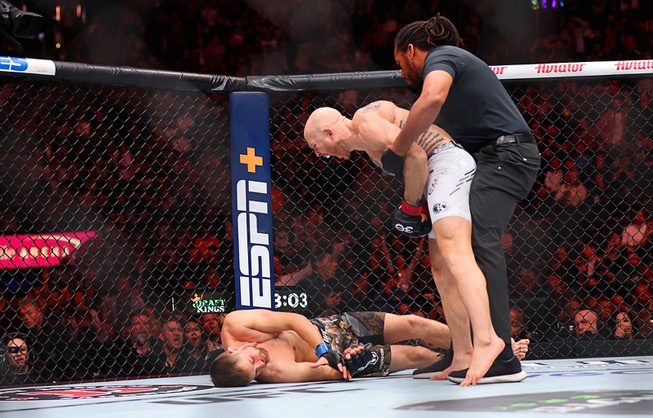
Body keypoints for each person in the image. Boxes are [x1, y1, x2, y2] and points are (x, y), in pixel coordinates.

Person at [304, 100, 510, 386]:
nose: (318, 154)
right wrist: (417, 203)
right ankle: (462, 354)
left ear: (328, 132)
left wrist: (411, 206)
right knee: (439, 266)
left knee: (457, 255)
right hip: (435, 177)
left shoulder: (365, 122)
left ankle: (487, 338)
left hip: (446, 163)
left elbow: (416, 154)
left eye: (316, 146)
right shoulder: (367, 146)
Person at [386, 14, 540, 385]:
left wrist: (397, 147)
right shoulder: (451, 77)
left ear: (411, 50)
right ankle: (464, 353)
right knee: (447, 245)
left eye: (400, 62)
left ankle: (500, 353)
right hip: (487, 160)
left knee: (479, 239)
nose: (401, 72)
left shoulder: (444, 57)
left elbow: (432, 98)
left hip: (507, 156)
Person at [210, 308, 451, 386]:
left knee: (412, 322)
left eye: (253, 361)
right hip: (344, 358)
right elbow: (327, 372)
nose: (261, 364)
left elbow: (293, 320)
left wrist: (322, 348)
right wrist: (354, 363)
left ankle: (473, 346)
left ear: (233, 349)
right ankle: (459, 360)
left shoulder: (235, 324)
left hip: (332, 328)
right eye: (256, 372)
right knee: (416, 355)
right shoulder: (276, 372)